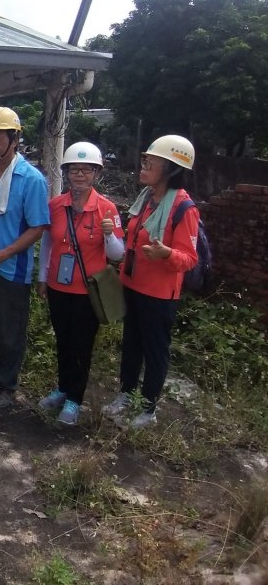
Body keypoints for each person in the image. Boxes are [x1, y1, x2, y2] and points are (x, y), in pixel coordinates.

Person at [101, 135, 199, 429]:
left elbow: (189, 257)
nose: (142, 167)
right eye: (145, 161)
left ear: (170, 169)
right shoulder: (146, 201)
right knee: (131, 345)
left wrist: (166, 253)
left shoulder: (184, 208)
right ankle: (126, 395)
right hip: (133, 286)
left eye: (150, 163)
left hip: (159, 295)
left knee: (155, 351)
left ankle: (148, 408)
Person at [36, 142, 124, 425]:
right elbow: (48, 244)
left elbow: (117, 254)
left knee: (82, 344)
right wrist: (42, 279)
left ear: (96, 173)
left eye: (86, 170)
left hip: (87, 291)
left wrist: (109, 235)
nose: (80, 175)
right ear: (67, 173)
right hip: (59, 287)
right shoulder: (56, 205)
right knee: (63, 340)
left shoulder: (107, 208)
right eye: (75, 170)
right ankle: (63, 388)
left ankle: (75, 399)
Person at [0, 106, 50, 410]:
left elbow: (38, 227)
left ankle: (6, 385)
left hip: (11, 268)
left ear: (14, 139)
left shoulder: (30, 179)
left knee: (10, 328)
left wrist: (2, 254)